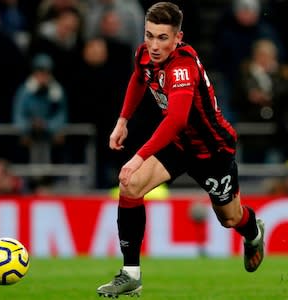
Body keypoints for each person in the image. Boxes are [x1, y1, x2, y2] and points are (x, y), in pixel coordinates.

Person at [96, 2, 265, 297]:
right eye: (149, 35)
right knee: (130, 187)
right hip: (178, 146)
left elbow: (175, 120)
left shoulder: (183, 66)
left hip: (212, 150)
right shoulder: (145, 54)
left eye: (163, 38)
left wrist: (137, 157)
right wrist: (122, 121)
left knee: (229, 219)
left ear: (178, 38)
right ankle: (131, 274)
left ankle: (253, 231)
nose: (154, 45)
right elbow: (139, 78)